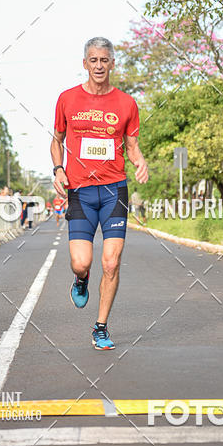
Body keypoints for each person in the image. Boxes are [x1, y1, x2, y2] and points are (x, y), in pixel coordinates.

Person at [51, 36, 148, 351]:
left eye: (104, 60)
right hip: (80, 191)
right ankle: (81, 280)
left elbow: (132, 146)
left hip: (113, 190)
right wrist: (58, 169)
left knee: (111, 262)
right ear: (85, 63)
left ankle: (101, 327)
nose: (99, 65)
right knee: (81, 263)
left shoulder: (126, 103)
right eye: (93, 60)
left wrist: (140, 162)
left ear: (112, 64)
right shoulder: (67, 99)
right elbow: (57, 140)